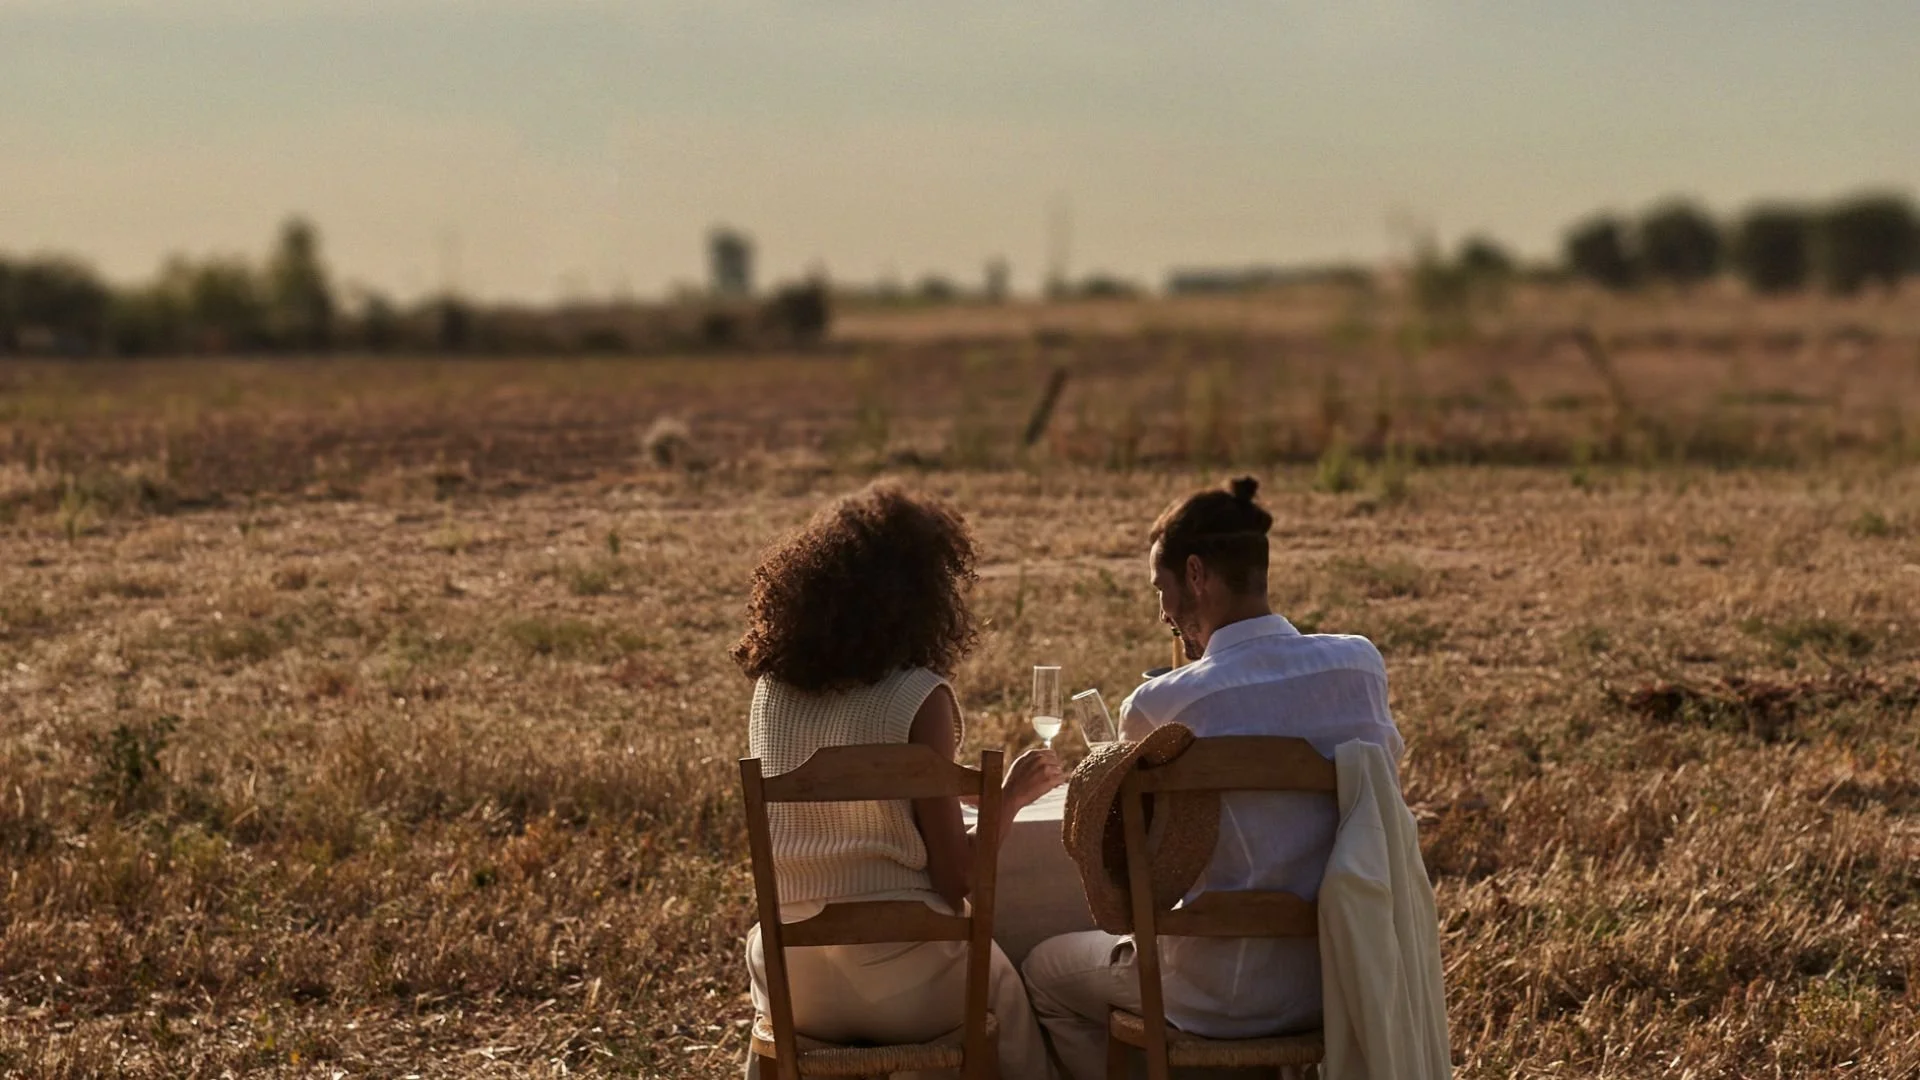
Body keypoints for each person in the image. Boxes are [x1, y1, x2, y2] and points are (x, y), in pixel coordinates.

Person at [1021, 476, 1405, 1080]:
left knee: (1044, 971)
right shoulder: (1359, 665)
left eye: (1161, 590)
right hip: (1339, 978)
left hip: (1220, 996)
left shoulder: (1160, 703)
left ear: (1196, 574)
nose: (1162, 613)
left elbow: (1140, 858)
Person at [733, 483, 1062, 1080]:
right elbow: (955, 878)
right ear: (921, 596)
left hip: (791, 981)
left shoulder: (768, 693)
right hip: (906, 982)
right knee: (1002, 985)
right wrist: (1008, 801)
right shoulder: (917, 696)